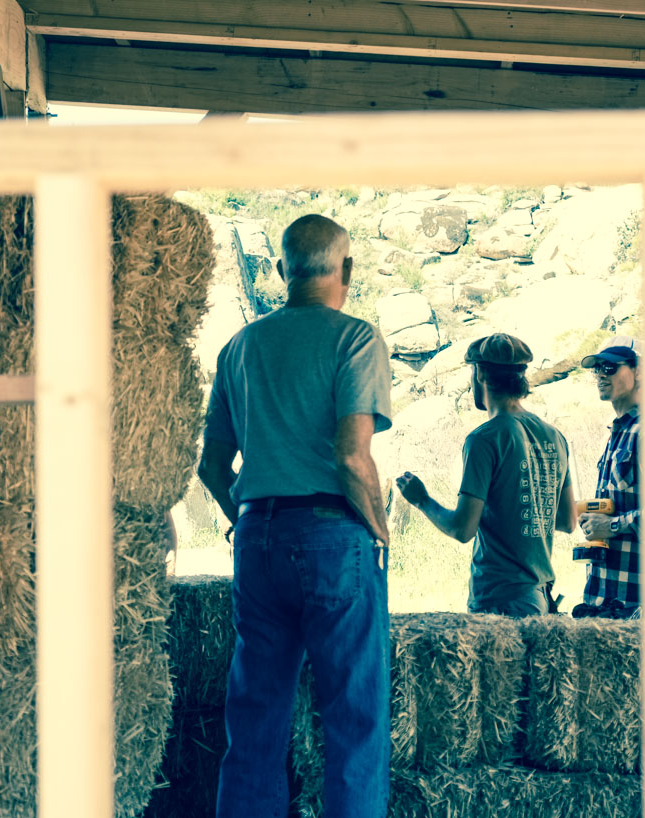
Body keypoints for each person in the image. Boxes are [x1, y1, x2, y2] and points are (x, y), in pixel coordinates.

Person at [198, 214, 393, 818]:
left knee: (254, 720)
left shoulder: (240, 346)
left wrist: (247, 519)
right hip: (332, 534)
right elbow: (351, 455)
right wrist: (379, 530)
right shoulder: (356, 338)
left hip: (257, 534)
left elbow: (211, 465)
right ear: (347, 269)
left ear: (283, 270)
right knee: (355, 720)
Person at [396, 333, 577, 617]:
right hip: (541, 598)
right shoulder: (554, 436)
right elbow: (567, 521)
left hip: (500, 600)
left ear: (479, 373)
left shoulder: (484, 438)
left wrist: (421, 500)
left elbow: (462, 529)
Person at [573, 335, 643, 619]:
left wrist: (612, 525)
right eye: (597, 368)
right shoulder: (618, 432)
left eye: (611, 367)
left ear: (640, 371)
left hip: (636, 607)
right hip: (606, 602)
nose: (601, 374)